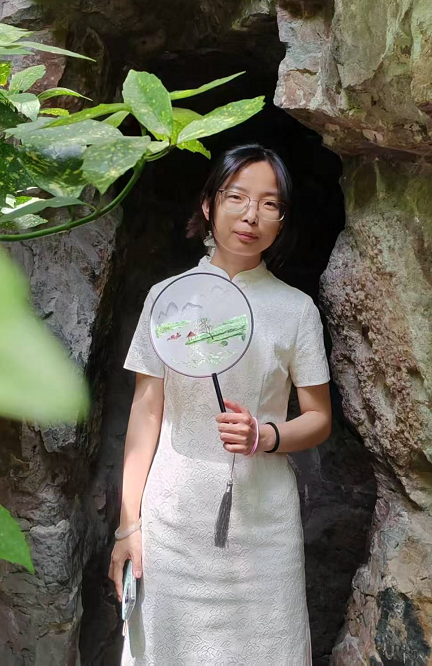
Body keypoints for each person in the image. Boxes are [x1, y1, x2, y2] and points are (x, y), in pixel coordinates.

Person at [109, 143, 332, 665]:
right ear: (209, 205)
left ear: (282, 220)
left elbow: (319, 418)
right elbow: (146, 413)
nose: (252, 215)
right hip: (172, 522)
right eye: (237, 197)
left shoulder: (297, 310)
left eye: (270, 204)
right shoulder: (167, 298)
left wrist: (266, 436)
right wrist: (128, 525)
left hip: (264, 525)